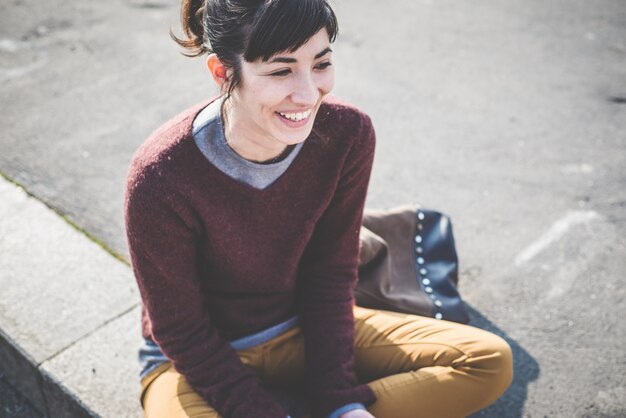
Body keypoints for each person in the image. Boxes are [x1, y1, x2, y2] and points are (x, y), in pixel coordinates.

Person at [124, 0, 514, 417]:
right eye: (280, 70)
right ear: (223, 73)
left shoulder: (347, 133)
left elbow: (330, 273)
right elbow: (181, 330)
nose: (309, 94)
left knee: (488, 362)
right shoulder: (160, 177)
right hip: (190, 364)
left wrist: (342, 402)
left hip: (301, 329)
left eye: (321, 63)